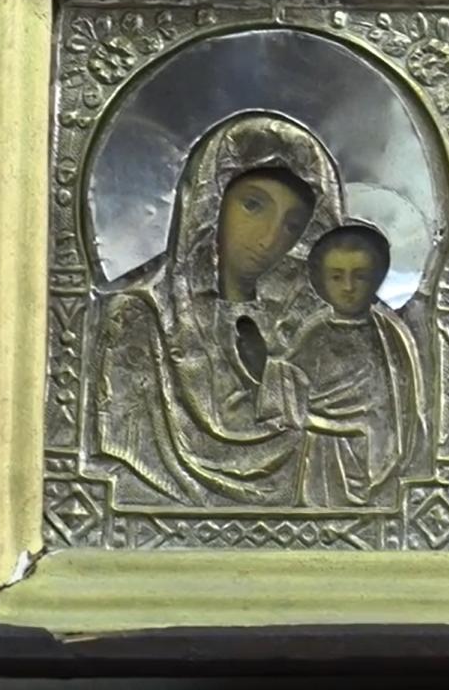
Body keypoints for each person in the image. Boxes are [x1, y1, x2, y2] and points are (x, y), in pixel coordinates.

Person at [88, 113, 346, 507]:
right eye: (253, 205)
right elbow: (123, 458)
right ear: (211, 203)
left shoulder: (312, 332)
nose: (269, 238)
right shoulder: (142, 318)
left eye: (292, 224)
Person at [262, 225, 428, 508]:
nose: (348, 287)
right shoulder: (313, 333)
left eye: (360, 276)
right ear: (321, 281)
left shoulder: (391, 335)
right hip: (325, 453)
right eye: (337, 277)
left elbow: (408, 403)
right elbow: (289, 392)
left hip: (379, 452)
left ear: (377, 278)